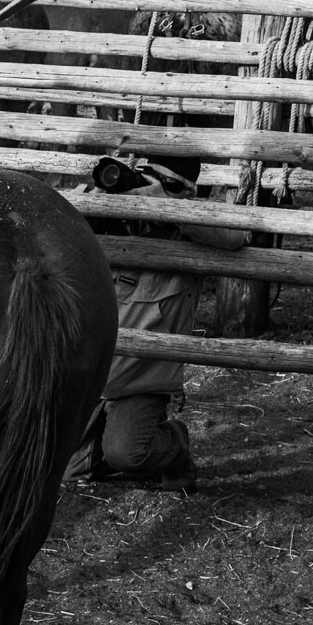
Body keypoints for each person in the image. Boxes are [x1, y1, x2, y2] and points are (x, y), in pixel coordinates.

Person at [67, 154, 248, 492]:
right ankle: (109, 437)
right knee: (68, 469)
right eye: (148, 177)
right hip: (94, 371)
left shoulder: (187, 232)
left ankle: (174, 441)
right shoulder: (114, 215)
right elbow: (61, 213)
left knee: (126, 455)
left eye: (169, 185)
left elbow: (236, 235)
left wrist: (167, 205)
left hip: (143, 378)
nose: (150, 189)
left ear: (187, 193)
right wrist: (113, 197)